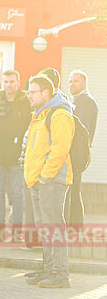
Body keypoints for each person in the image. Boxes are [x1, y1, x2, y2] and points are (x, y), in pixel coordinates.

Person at [24, 74, 74, 288]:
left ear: (46, 93)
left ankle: (60, 274)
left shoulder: (59, 114)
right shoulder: (40, 114)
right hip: (38, 181)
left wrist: (45, 177)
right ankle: (48, 268)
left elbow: (60, 149)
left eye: (33, 92)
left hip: (51, 181)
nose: (29, 96)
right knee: (45, 227)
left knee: (54, 227)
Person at [0, 70, 31, 243]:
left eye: (12, 82)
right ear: (2, 83)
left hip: (17, 156)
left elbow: (29, 128)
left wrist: (24, 151)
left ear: (18, 83)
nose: (8, 85)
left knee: (17, 193)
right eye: (5, 82)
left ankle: (18, 231)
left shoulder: (25, 103)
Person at [66, 70, 98, 229]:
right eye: (70, 81)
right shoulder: (78, 100)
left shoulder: (86, 102)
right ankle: (74, 227)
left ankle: (75, 228)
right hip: (73, 152)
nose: (71, 84)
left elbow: (80, 130)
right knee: (72, 190)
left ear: (84, 83)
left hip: (77, 154)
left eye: (75, 81)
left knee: (73, 190)